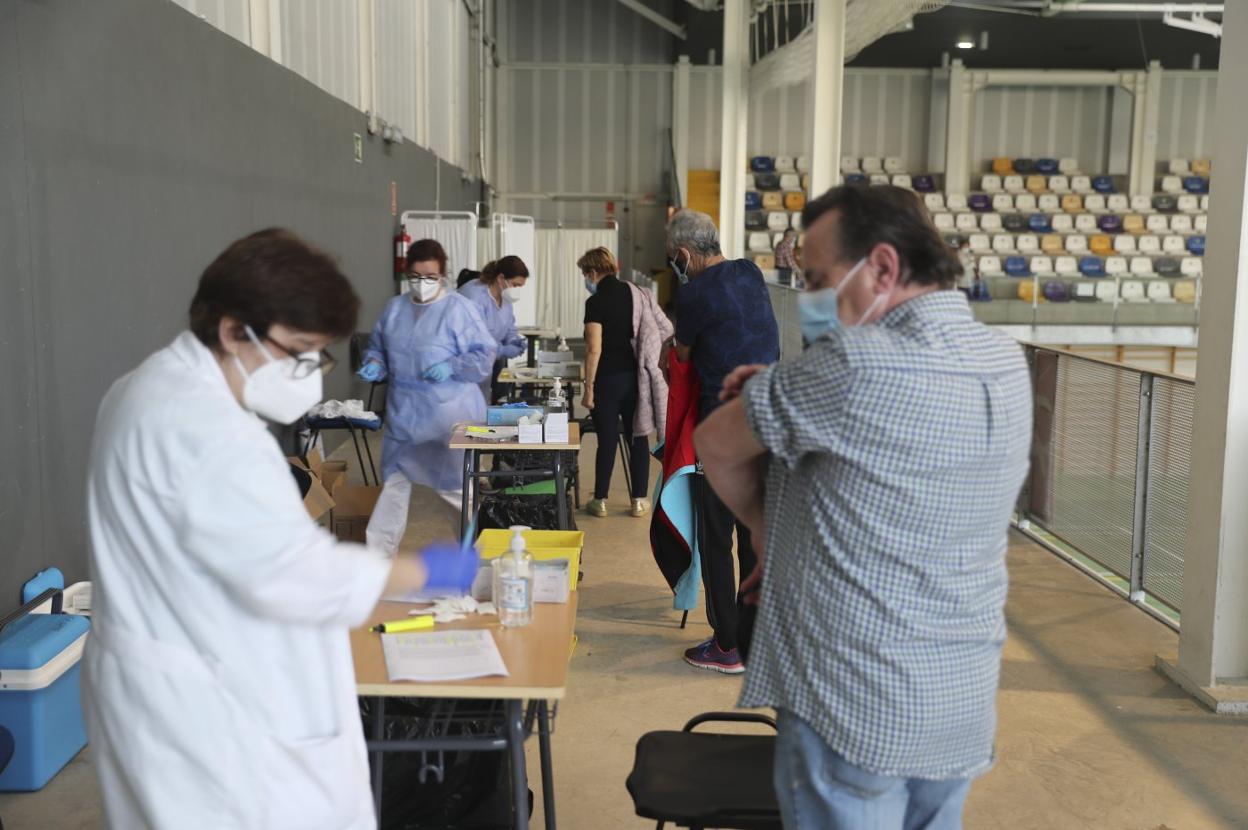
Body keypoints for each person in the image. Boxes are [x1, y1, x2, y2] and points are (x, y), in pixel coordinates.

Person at [83, 228, 479, 830]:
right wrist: (425, 572)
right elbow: (297, 576)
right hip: (211, 710)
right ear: (233, 331)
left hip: (159, 677)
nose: (310, 372)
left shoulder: (140, 388)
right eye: (299, 351)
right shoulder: (212, 433)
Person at [694, 185, 1032, 829]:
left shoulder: (853, 362)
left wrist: (767, 537)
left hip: (853, 692)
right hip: (959, 687)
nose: (814, 297)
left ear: (881, 266)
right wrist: (782, 392)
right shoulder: (1004, 360)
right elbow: (894, 467)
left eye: (818, 278)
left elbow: (716, 443)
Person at [666, 209, 779, 674]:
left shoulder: (692, 295)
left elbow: (683, 355)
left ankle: (727, 644)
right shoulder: (751, 272)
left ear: (683, 255)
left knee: (716, 536)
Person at [358, 239, 496, 553]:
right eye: (416, 276)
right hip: (406, 416)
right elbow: (379, 347)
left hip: (450, 416)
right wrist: (374, 364)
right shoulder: (395, 309)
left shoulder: (458, 309)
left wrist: (453, 365)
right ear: (407, 274)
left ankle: (475, 556)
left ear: (442, 275)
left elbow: (485, 353)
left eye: (430, 276)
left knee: (457, 493)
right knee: (393, 487)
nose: (423, 283)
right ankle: (376, 563)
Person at [579, 246, 665, 518]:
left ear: (592, 272)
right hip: (635, 377)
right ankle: (639, 500)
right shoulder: (636, 293)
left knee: (607, 440)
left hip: (606, 380)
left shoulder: (595, 303)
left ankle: (600, 500)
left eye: (585, 274)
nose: (587, 280)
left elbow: (594, 348)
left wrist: (588, 388)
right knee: (637, 436)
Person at [459, 256, 530, 405]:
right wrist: (502, 350)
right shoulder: (474, 296)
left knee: (480, 408)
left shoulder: (505, 298)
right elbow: (475, 340)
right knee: (464, 410)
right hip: (464, 365)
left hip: (484, 365)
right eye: (515, 285)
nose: (516, 291)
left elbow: (509, 326)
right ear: (501, 278)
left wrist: (514, 340)